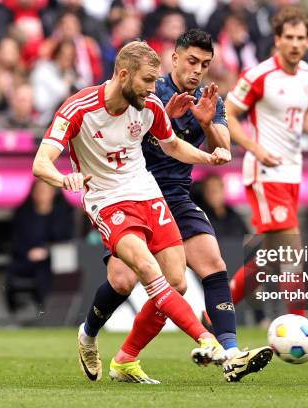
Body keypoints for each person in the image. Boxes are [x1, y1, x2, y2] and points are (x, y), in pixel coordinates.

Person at [77, 30, 272, 384]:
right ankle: (88, 333)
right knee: (121, 282)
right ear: (175, 58)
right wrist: (166, 116)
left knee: (209, 266)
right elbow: (132, 137)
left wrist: (204, 123)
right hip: (133, 193)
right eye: (193, 62)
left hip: (178, 196)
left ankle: (229, 353)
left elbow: (223, 147)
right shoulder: (148, 89)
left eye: (206, 64)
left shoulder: (210, 99)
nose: (198, 71)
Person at [32, 41, 232, 385]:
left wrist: (209, 157)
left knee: (177, 282)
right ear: (123, 75)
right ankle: (207, 340)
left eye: (155, 82)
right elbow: (40, 164)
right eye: (147, 82)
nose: (154, 90)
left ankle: (124, 361)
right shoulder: (78, 108)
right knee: (143, 270)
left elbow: (172, 145)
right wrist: (65, 178)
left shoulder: (149, 104)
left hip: (145, 190)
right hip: (106, 200)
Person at [224, 5, 308, 332]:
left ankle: (213, 315)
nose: (295, 44)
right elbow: (229, 114)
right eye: (289, 37)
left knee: (265, 264)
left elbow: (305, 109)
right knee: (293, 251)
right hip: (265, 174)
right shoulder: (259, 76)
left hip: (293, 171)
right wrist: (255, 148)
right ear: (277, 40)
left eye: (301, 38)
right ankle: (303, 332)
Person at [5, 179, 73, 318]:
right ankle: (15, 312)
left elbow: (66, 241)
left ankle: (46, 314)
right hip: (26, 258)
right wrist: (29, 252)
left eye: (46, 190)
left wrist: (47, 251)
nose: (42, 194)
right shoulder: (23, 213)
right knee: (11, 272)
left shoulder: (62, 214)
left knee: (43, 273)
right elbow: (16, 240)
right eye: (39, 191)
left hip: (54, 261)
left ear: (53, 193)